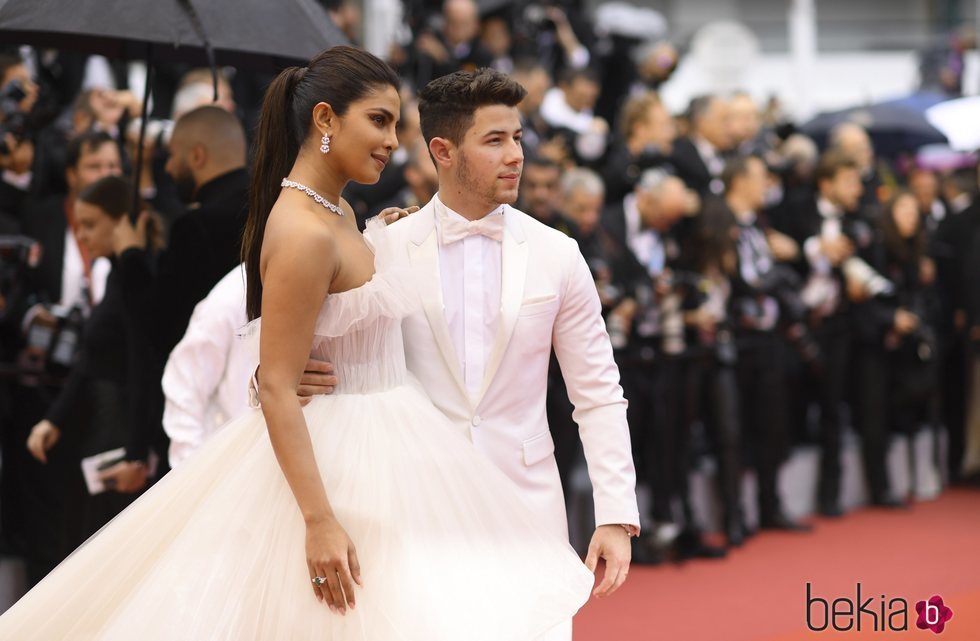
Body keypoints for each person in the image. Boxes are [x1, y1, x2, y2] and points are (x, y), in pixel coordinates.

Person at [0, 46, 592, 641]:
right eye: (379, 121)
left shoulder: (333, 209)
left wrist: (376, 238)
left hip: (386, 447)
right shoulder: (304, 227)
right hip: (342, 465)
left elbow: (324, 321)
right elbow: (279, 382)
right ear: (326, 120)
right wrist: (319, 520)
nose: (392, 141)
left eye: (394, 124)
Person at [285, 67, 641, 641]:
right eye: (495, 140)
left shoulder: (558, 254)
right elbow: (314, 352)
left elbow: (598, 392)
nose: (515, 156)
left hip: (528, 509)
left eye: (518, 138)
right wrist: (274, 378)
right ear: (442, 151)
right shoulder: (384, 246)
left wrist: (616, 512)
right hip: (418, 511)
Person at [26, 176, 163, 548]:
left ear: (122, 222)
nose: (82, 236)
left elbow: (143, 367)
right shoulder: (120, 275)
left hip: (119, 436)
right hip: (100, 430)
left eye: (90, 225)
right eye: (78, 226)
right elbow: (92, 358)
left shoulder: (137, 277)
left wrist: (136, 455)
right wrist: (55, 417)